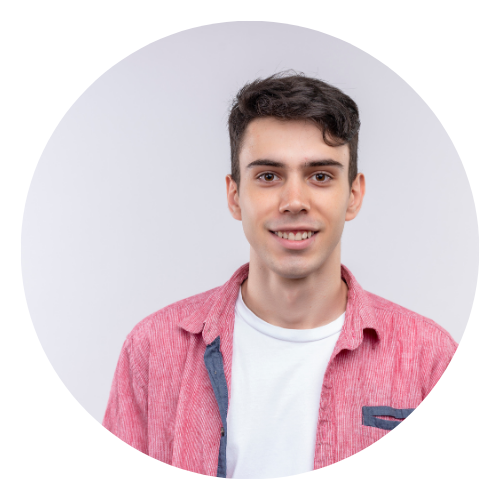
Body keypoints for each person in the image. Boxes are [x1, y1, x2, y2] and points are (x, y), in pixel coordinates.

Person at [103, 72, 458, 479]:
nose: (294, 202)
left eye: (320, 176)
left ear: (353, 195)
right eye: (268, 176)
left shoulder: (430, 358)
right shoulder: (152, 350)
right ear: (235, 196)